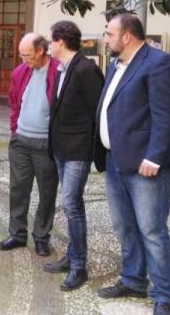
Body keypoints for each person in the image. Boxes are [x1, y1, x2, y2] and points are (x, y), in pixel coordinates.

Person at [97, 13, 170, 315]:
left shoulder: (160, 64)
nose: (104, 39)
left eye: (109, 34)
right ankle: (133, 280)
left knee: (152, 229)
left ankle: (163, 296)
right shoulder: (115, 65)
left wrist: (155, 157)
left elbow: (166, 116)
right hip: (116, 159)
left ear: (127, 36)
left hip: (146, 165)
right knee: (125, 227)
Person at [43, 21, 105, 291]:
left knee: (72, 205)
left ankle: (79, 265)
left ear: (61, 42)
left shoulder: (86, 69)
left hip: (78, 149)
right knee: (69, 204)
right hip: (60, 147)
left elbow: (98, 111)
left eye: (51, 40)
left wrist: (92, 149)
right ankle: (71, 257)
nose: (48, 45)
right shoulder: (62, 69)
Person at [0, 33, 60, 257]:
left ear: (41, 51)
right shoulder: (20, 72)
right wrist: (14, 131)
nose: (24, 60)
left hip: (46, 144)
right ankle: (17, 234)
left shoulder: (59, 71)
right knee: (18, 189)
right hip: (21, 141)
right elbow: (14, 102)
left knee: (47, 192)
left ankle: (41, 237)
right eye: (22, 56)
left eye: (28, 56)